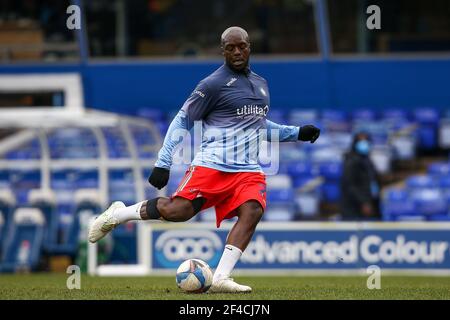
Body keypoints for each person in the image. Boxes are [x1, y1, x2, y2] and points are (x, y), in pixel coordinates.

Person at [88, 26, 320, 293]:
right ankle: (117, 215)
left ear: (249, 47)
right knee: (178, 212)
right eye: (230, 47)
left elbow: (258, 125)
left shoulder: (261, 83)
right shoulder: (211, 84)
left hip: (247, 170)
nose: (236, 52)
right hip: (212, 165)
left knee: (253, 209)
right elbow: (182, 119)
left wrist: (296, 133)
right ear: (222, 50)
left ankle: (220, 278)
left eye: (241, 46)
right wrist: (163, 162)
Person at [340, 132, 381, 220]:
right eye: (361, 141)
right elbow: (350, 185)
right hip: (354, 207)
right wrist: (364, 202)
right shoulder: (351, 161)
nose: (364, 144)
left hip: (370, 202)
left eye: (366, 141)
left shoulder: (367, 160)